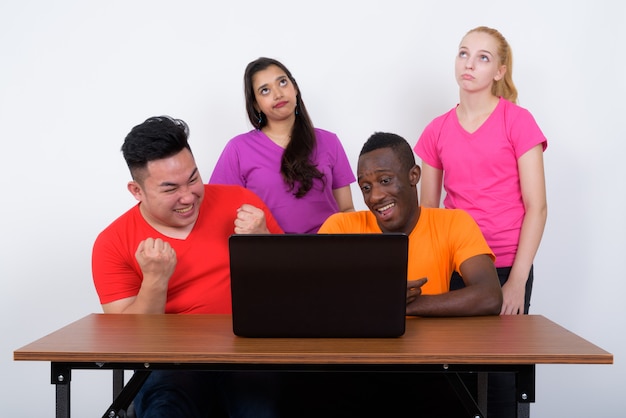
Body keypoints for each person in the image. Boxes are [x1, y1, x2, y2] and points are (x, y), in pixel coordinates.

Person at [280, 132, 502, 417]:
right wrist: (384, 303)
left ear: (413, 175)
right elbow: (306, 299)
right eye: (366, 187)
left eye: (385, 181)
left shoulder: (453, 223)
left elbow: (489, 296)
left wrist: (399, 305)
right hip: (353, 372)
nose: (375, 197)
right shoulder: (341, 227)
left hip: (427, 371)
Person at [91, 116, 284, 418]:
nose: (188, 197)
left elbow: (294, 292)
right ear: (136, 191)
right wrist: (155, 280)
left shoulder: (242, 203)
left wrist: (263, 244)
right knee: (165, 409)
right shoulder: (112, 242)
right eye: (170, 189)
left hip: (249, 355)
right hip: (172, 363)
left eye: (193, 179)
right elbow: (128, 343)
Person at [414, 26, 548, 417]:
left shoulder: (517, 121)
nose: (469, 64)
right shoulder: (436, 130)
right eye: (463, 53)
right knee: (454, 377)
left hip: (506, 265)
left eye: (483, 57)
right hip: (456, 267)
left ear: (500, 71)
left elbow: (537, 206)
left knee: (502, 380)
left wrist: (517, 283)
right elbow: (430, 215)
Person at [209, 57, 356, 234]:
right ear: (256, 104)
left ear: (294, 88)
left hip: (329, 253)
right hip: (269, 255)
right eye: (265, 90)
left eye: (283, 82)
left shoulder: (329, 142)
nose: (278, 94)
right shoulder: (238, 149)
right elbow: (220, 214)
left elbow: (346, 209)